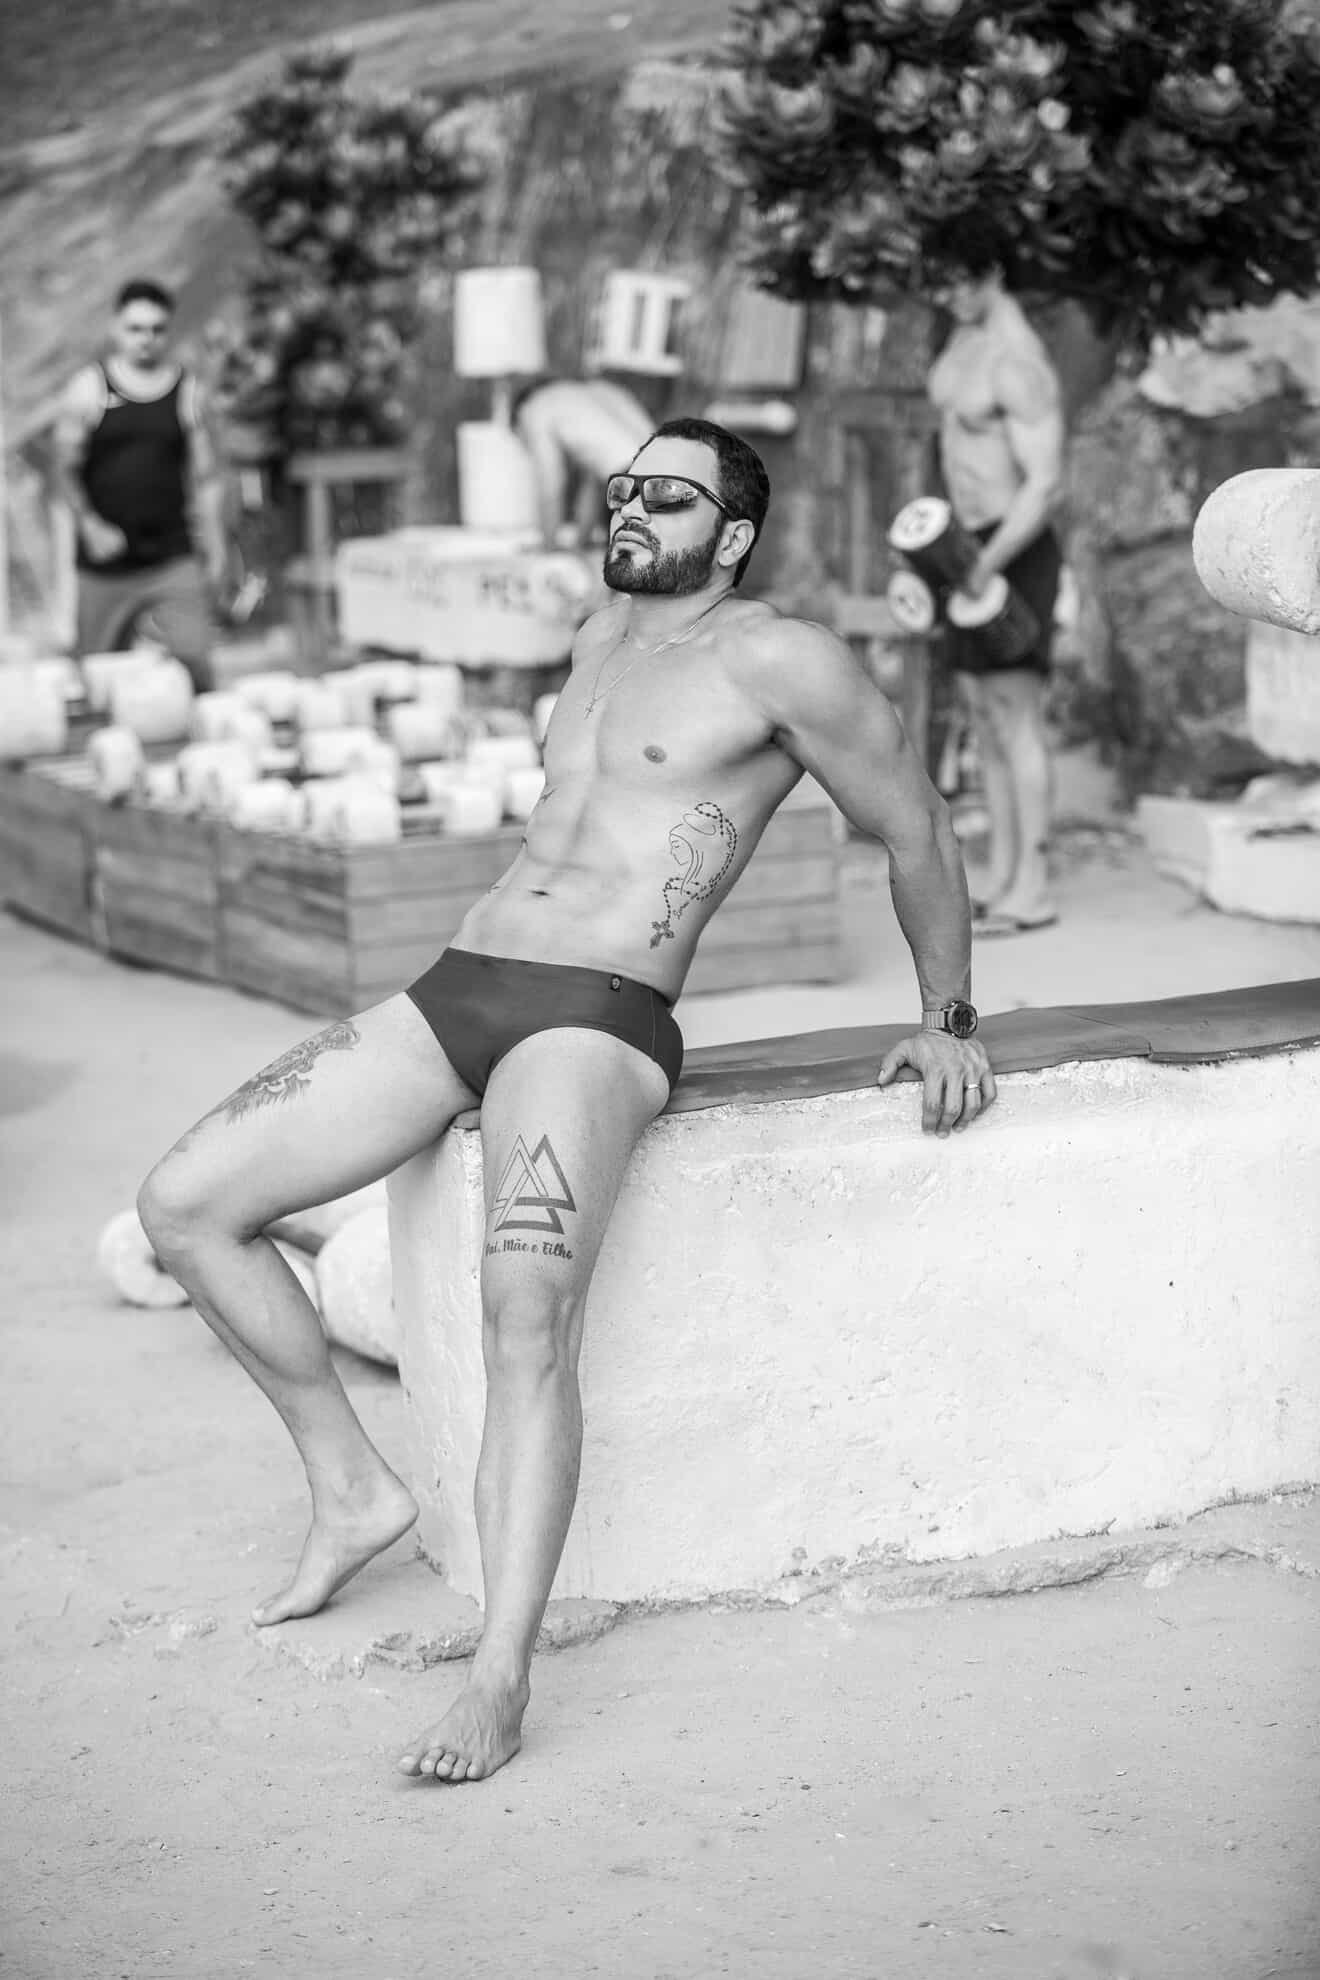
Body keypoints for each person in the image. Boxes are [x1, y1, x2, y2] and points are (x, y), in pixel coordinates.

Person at [136, 416, 995, 1786]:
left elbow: (918, 827)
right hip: (463, 985)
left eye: (670, 496)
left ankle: (499, 1674)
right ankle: (352, 1488)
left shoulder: (779, 658)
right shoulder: (598, 637)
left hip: (596, 1015)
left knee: (524, 1311)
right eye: (624, 487)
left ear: (734, 533)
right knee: (185, 1206)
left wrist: (947, 1020)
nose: (633, 508)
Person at [926, 236, 1068, 935]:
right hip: (967, 544)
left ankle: (1033, 889)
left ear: (993, 273)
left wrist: (990, 563)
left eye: (960, 280)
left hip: (1014, 547)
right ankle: (1004, 875)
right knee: (982, 716)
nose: (947, 294)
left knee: (1017, 716)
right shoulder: (963, 345)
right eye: (940, 282)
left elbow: (1045, 485)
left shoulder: (1017, 364)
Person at [53, 277, 229, 691]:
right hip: (105, 567)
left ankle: (203, 732)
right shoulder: (89, 390)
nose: (146, 339)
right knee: (97, 681)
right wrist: (90, 526)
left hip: (172, 559)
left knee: (197, 663)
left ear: (168, 332)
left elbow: (206, 478)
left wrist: (217, 545)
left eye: (156, 329)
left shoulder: (188, 393)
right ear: (115, 328)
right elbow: (62, 470)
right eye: (135, 329)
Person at [513, 372, 654, 548]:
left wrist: (548, 546)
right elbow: (594, 484)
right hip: (663, 468)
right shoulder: (588, 394)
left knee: (625, 554)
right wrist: (581, 543)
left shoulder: (533, 408)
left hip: (628, 478)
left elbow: (551, 483)